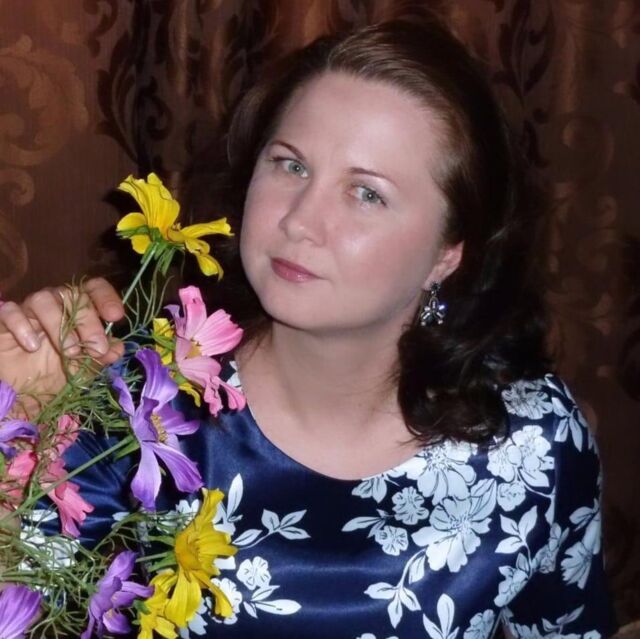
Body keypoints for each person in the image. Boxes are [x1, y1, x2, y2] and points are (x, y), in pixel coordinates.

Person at [0, 15, 617, 639]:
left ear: (447, 253)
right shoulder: (133, 401)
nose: (299, 220)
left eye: (367, 194)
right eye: (291, 166)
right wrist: (13, 421)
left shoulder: (532, 443)